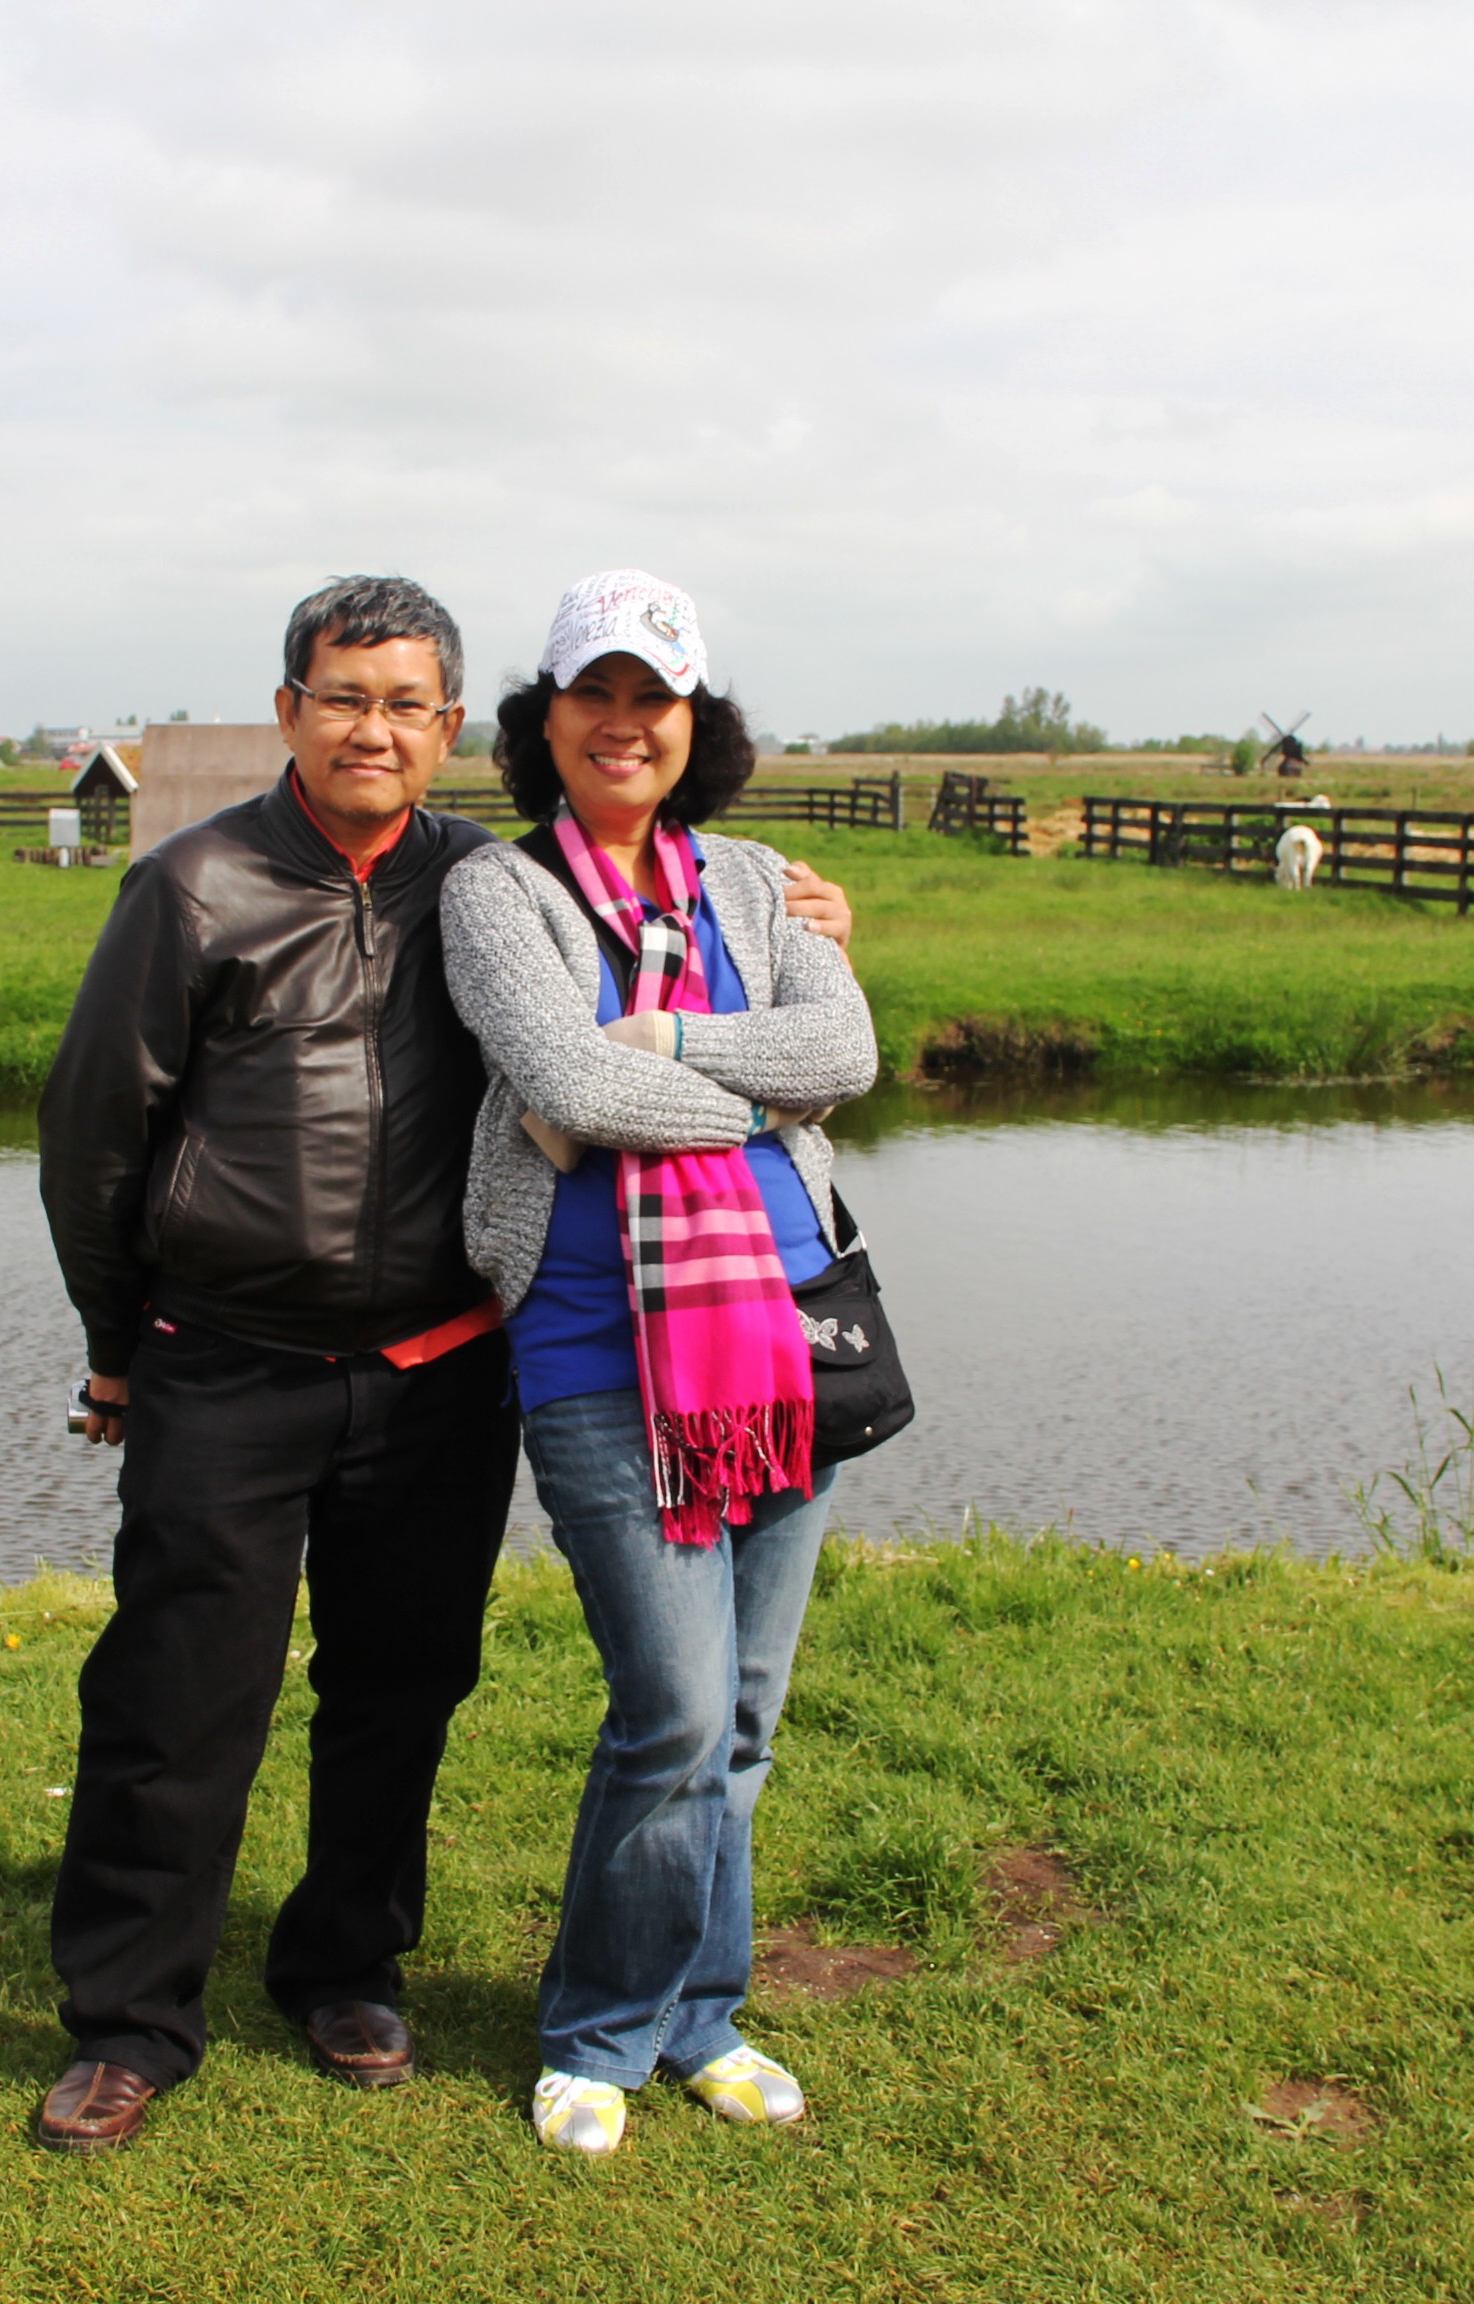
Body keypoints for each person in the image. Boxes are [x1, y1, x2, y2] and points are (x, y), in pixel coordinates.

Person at [30, 574, 852, 2155]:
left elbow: (761, 1023)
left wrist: (803, 947)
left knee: (400, 1688)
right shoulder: (194, 888)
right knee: (179, 1695)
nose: (374, 730)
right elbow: (97, 1135)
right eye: (344, 698)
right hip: (231, 1356)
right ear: (290, 710)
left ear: (454, 725)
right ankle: (130, 2022)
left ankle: (347, 1968)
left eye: (407, 704)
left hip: (436, 1361)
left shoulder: (481, 879)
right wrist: (114, 1346)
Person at [437, 570, 881, 2156]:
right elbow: (560, 1082)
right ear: (545, 719)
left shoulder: (759, 883)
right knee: (677, 1712)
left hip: (785, 1335)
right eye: (595, 695)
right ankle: (598, 2031)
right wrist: (753, 1095)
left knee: (746, 1716)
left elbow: (848, 1054)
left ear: (700, 724)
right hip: (595, 1346)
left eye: (656, 698)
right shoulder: (501, 894)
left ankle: (704, 2017)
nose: (625, 725)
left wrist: (662, 1046)